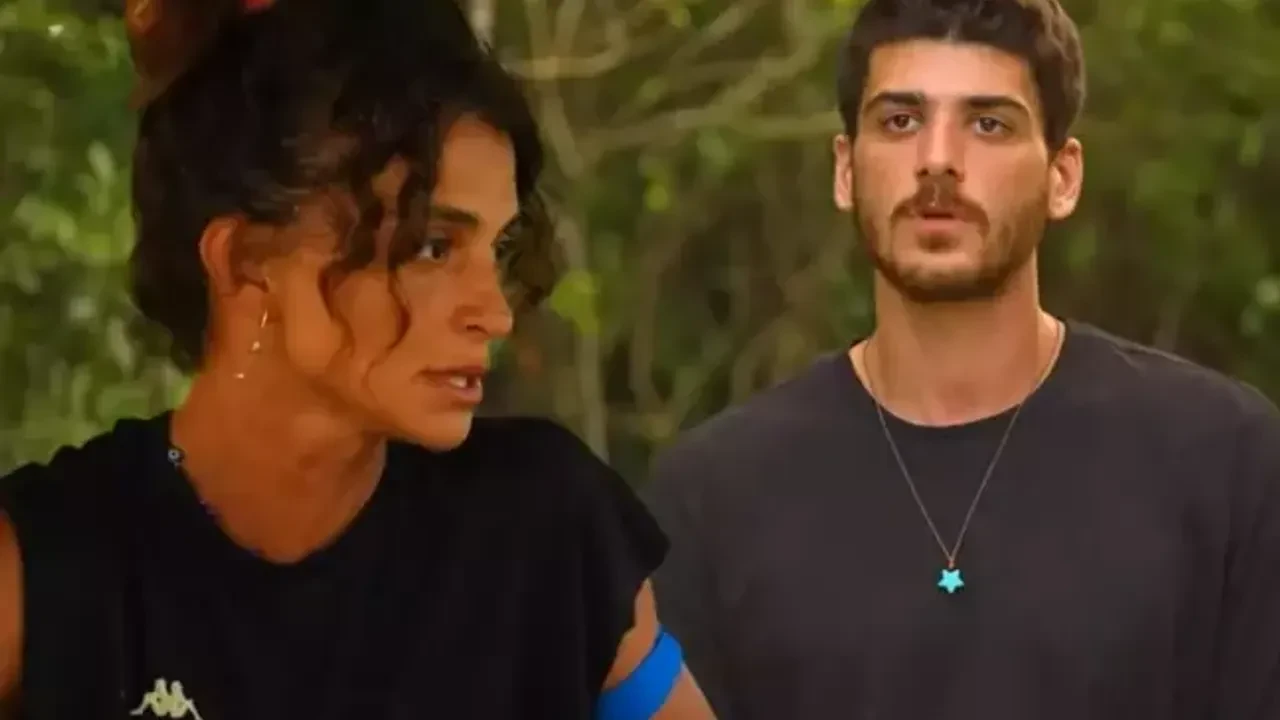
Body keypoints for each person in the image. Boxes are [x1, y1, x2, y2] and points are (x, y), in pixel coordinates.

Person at [0, 1, 716, 718]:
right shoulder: (46, 575)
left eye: (495, 249)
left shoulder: (545, 534)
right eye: (433, 246)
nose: (494, 313)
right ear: (245, 264)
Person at [644, 0, 1280, 718]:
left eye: (988, 124)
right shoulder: (713, 498)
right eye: (900, 120)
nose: (938, 158)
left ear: (1063, 177)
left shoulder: (1223, 463)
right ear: (845, 169)